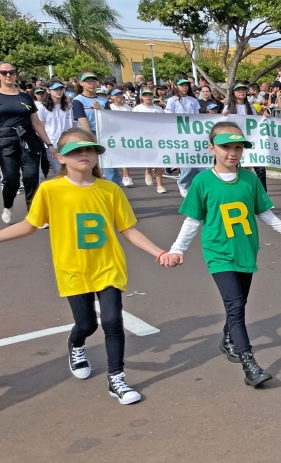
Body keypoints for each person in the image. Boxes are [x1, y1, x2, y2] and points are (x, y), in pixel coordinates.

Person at [0, 128, 172, 404]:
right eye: (75, 150)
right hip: (72, 269)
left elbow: (128, 229)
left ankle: (117, 379)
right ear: (60, 157)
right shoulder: (51, 190)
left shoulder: (110, 189)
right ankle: (76, 343)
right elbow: (29, 225)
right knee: (86, 324)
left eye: (89, 149)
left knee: (113, 321)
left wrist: (159, 252)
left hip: (108, 266)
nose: (84, 154)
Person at [166, 122, 281, 387]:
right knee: (235, 307)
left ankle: (228, 338)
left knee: (239, 303)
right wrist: (177, 249)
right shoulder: (202, 182)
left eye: (238, 147)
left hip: (246, 251)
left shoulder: (249, 179)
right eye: (225, 147)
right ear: (211, 148)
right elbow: (192, 220)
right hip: (218, 253)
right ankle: (250, 365)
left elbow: (263, 211)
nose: (232, 153)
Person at [0, 61, 56, 224]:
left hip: (28, 141)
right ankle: (8, 205)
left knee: (31, 177)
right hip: (5, 142)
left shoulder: (25, 97)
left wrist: (49, 144)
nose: (8, 75)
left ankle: (34, 214)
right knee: (11, 178)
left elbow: (36, 123)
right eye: (4, 73)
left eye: (11, 72)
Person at [72, 70, 119, 186]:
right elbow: (83, 122)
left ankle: (113, 190)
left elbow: (109, 120)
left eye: (93, 80)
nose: (91, 83)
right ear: (80, 83)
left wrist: (100, 110)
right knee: (92, 166)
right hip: (87, 136)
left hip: (104, 135)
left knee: (110, 167)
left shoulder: (103, 101)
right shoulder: (78, 100)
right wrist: (92, 141)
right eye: (87, 80)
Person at [165, 77, 202, 196]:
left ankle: (192, 186)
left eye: (186, 85)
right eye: (182, 85)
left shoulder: (193, 100)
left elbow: (197, 118)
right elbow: (169, 117)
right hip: (178, 134)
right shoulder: (172, 100)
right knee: (186, 161)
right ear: (176, 86)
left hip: (192, 134)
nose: (184, 87)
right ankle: (183, 183)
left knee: (197, 163)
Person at [132, 88, 168, 194]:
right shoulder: (137, 109)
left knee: (159, 161)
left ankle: (159, 185)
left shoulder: (158, 109)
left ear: (153, 96)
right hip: (144, 138)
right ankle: (148, 170)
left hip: (157, 137)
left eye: (149, 95)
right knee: (149, 159)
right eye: (145, 95)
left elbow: (164, 123)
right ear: (141, 97)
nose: (148, 97)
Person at [38, 78, 73, 177]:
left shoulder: (69, 107)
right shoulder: (42, 108)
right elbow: (41, 128)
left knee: (70, 172)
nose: (59, 91)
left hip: (67, 143)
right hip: (52, 145)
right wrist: (49, 145)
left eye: (61, 89)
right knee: (60, 172)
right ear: (48, 90)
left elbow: (73, 125)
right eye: (55, 89)